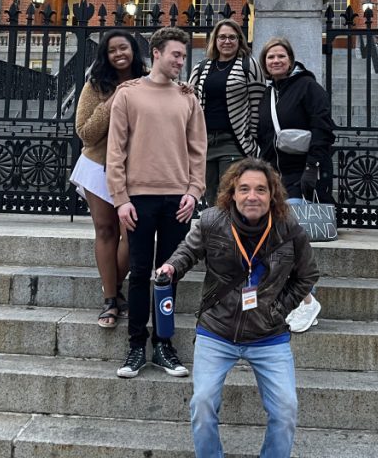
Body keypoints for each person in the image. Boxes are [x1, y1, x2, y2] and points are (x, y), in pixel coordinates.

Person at [158, 157, 319, 458]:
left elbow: (307, 275)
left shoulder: (289, 228)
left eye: (260, 189)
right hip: (217, 331)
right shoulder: (211, 221)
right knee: (202, 404)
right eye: (244, 189)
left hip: (268, 335)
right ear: (232, 193)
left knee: (286, 410)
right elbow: (187, 252)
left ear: (272, 194)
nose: (252, 196)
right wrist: (171, 267)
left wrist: (278, 310)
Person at [107, 26, 207, 378]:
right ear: (158, 53)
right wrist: (120, 199)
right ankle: (136, 346)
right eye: (176, 55)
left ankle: (164, 345)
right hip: (137, 198)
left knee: (169, 275)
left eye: (184, 55)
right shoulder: (128, 94)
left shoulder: (187, 97)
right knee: (138, 273)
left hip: (177, 199)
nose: (182, 61)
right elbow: (115, 150)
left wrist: (194, 192)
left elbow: (199, 149)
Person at [256, 37, 335, 334]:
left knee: (287, 239)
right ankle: (295, 298)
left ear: (290, 59)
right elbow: (265, 136)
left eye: (280, 56)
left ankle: (306, 300)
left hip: (301, 173)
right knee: (275, 239)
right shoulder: (268, 93)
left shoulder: (308, 87)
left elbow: (322, 127)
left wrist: (313, 166)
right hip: (274, 175)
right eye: (270, 58)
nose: (275, 61)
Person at [70, 30, 147, 329]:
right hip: (97, 165)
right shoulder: (94, 86)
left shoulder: (149, 81)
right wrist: (114, 98)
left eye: (123, 48)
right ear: (106, 55)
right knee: (106, 230)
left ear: (133, 51)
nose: (119, 54)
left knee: (131, 234)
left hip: (136, 168)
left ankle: (112, 290)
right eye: (112, 50)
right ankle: (111, 298)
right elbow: (85, 133)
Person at [187, 19, 266, 206]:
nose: (227, 41)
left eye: (232, 37)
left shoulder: (249, 65)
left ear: (240, 40)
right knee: (211, 197)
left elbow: (257, 105)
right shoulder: (202, 67)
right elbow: (189, 100)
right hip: (205, 142)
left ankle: (233, 234)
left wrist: (252, 138)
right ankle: (217, 234)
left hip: (233, 142)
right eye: (222, 37)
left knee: (230, 195)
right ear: (215, 40)